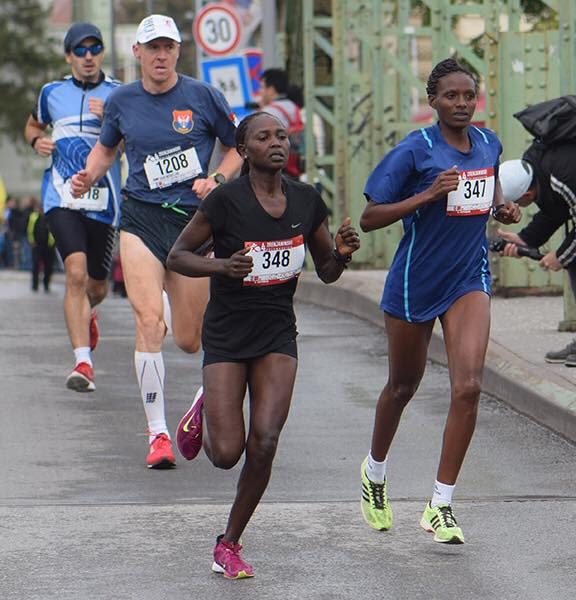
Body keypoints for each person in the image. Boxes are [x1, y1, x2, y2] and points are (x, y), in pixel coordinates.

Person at [166, 111, 360, 578]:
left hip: (277, 331)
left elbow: (327, 270)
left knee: (266, 439)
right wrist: (222, 267)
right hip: (228, 334)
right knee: (227, 453)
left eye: (282, 135)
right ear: (245, 148)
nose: (277, 142)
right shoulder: (225, 202)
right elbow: (178, 255)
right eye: (264, 137)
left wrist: (343, 254)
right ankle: (206, 411)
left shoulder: (307, 201)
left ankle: (229, 542)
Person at [358, 58, 520, 544]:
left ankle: (440, 504)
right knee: (402, 386)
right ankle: (374, 472)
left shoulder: (489, 142)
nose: (462, 104)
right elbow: (369, 218)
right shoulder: (416, 150)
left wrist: (501, 207)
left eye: (469, 95)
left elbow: (484, 196)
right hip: (415, 282)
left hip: (468, 279)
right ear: (432, 101)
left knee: (469, 386)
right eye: (451, 96)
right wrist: (428, 195)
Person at [70, 14, 242, 469]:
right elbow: (107, 148)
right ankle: (159, 434)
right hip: (141, 218)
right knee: (147, 323)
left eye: (168, 47)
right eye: (152, 48)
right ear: (138, 54)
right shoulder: (122, 101)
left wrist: (218, 179)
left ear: (177, 51)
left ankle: (201, 398)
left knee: (190, 340)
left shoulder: (203, 96)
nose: (161, 55)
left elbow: (239, 145)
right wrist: (89, 175)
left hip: (193, 224)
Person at [24, 22, 122, 392]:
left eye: (94, 48)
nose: (88, 56)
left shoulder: (119, 95)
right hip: (61, 197)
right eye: (79, 50)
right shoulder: (52, 92)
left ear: (101, 54)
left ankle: (88, 314)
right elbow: (32, 126)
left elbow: (134, 144)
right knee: (75, 274)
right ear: (69, 56)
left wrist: (110, 119)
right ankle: (83, 363)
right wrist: (37, 141)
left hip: (104, 202)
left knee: (96, 287)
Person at [497, 149, 576, 366]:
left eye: (517, 203)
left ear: (526, 195)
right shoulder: (539, 169)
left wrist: (561, 256)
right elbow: (556, 209)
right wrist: (526, 240)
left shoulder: (564, 178)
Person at [259, 68, 304, 178]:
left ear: (271, 89)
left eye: (262, 87)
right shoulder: (295, 107)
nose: (260, 92)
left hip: (277, 170)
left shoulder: (268, 112)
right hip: (295, 166)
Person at [27, 196, 56, 292]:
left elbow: (54, 231)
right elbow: (30, 229)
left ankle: (46, 285)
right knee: (35, 265)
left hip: (49, 246)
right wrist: (31, 241)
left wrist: (52, 243)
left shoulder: (51, 217)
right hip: (37, 245)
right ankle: (35, 285)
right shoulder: (34, 216)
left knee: (49, 266)